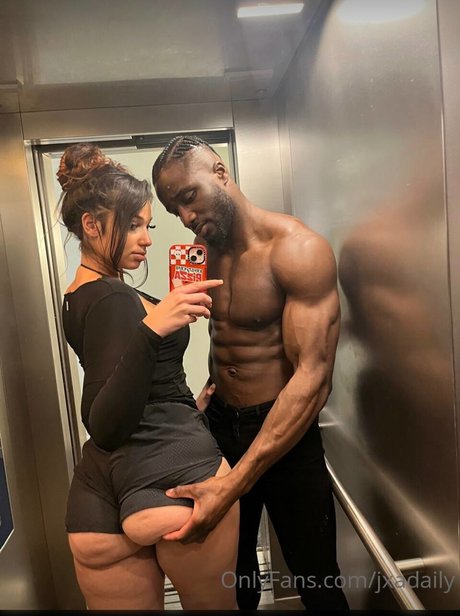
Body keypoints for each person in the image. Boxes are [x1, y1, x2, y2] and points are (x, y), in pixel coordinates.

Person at [152, 135, 349, 610]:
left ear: (220, 172)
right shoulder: (201, 249)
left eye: (189, 196)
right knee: (235, 580)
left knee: (317, 580)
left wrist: (234, 483)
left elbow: (312, 379)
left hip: (284, 431)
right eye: (174, 210)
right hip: (220, 424)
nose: (186, 217)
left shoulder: (297, 250)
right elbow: (218, 337)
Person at [58, 143, 239, 611]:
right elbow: (104, 422)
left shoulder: (76, 296)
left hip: (96, 499)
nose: (147, 239)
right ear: (91, 226)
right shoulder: (114, 298)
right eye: (133, 225)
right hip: (173, 472)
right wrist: (153, 328)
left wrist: (181, 400)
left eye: (148, 226)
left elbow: (123, 376)